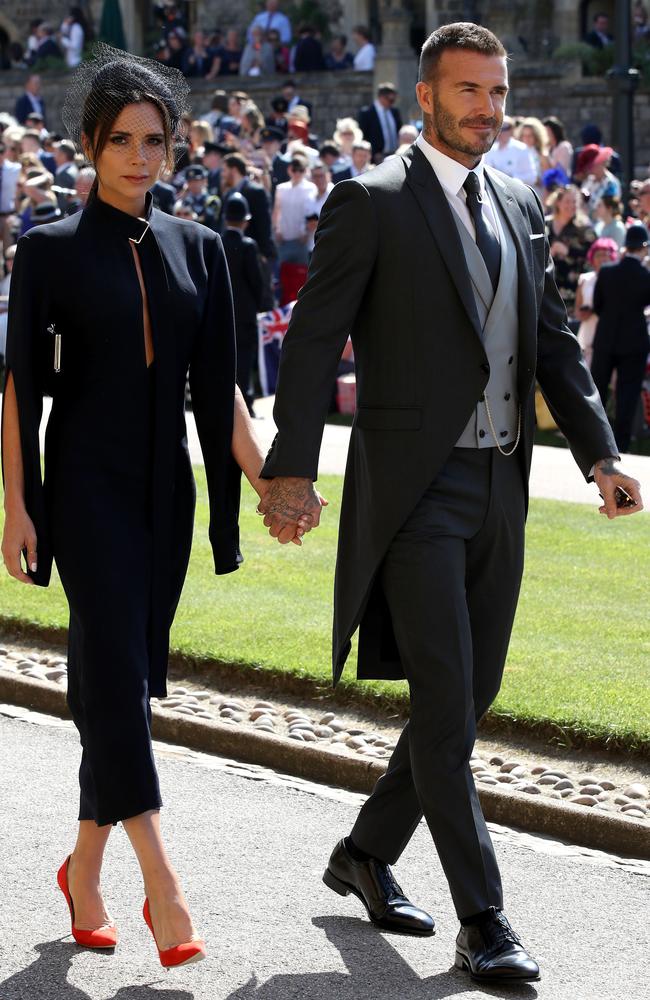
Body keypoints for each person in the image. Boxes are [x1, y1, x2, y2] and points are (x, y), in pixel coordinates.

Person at [257, 21, 642, 985]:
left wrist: (600, 454)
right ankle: (487, 919)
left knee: (469, 701)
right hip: (413, 491)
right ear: (426, 96)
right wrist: (291, 468)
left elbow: (552, 341)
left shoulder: (518, 202)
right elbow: (313, 343)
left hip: (501, 484)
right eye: (468, 90)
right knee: (442, 700)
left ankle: (364, 854)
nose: (487, 107)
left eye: (498, 92)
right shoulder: (369, 200)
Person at [0, 43, 273, 970]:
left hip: (169, 493)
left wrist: (270, 478)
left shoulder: (202, 247)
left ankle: (81, 868)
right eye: (121, 139)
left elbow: (222, 391)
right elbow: (20, 389)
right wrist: (17, 505)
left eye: (155, 140)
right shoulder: (45, 250)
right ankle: (163, 882)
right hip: (82, 488)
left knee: (116, 680)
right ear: (88, 144)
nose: (139, 157)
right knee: (112, 669)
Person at [591, 223, 650, 451]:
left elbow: (598, 306)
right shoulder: (645, 276)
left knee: (597, 391)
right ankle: (621, 446)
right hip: (634, 341)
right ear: (643, 247)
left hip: (606, 337)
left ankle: (595, 442)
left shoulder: (607, 272)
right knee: (627, 394)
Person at [221, 192, 265, 415]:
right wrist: (260, 305)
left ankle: (223, 399)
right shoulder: (247, 246)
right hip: (245, 312)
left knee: (224, 356)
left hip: (221, 311)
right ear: (245, 221)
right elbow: (256, 281)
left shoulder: (216, 241)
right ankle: (244, 403)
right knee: (245, 359)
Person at [545, 184, 596, 315]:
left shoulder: (584, 228)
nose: (571, 205)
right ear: (558, 202)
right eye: (567, 201)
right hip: (547, 289)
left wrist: (568, 252)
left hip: (573, 291)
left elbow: (594, 254)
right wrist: (549, 253)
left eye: (575, 202)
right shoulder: (544, 224)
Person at [575, 236, 619, 368]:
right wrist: (584, 314)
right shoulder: (585, 279)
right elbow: (577, 310)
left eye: (606, 254)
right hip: (588, 330)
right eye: (599, 255)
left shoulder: (617, 280)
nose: (603, 258)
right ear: (592, 257)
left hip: (609, 332)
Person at [272, 155, 316, 265]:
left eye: (301, 170)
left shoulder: (311, 188)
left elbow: (312, 212)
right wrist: (276, 230)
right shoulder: (281, 188)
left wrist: (307, 232)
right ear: (289, 170)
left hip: (302, 240)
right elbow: (277, 210)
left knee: (302, 276)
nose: (297, 173)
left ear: (305, 171)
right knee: (283, 276)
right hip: (284, 239)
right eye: (294, 169)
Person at [484, 116, 536, 184]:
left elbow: (532, 177)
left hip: (515, 192)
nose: (501, 132)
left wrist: (511, 179)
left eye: (505, 128)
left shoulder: (521, 149)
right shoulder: (489, 151)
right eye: (498, 128)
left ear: (512, 129)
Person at [358, 84, 402, 162]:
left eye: (393, 100)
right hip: (377, 157)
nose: (392, 103)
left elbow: (399, 131)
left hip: (394, 155)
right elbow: (364, 135)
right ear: (381, 97)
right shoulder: (367, 113)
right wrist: (374, 153)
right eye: (390, 100)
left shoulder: (394, 112)